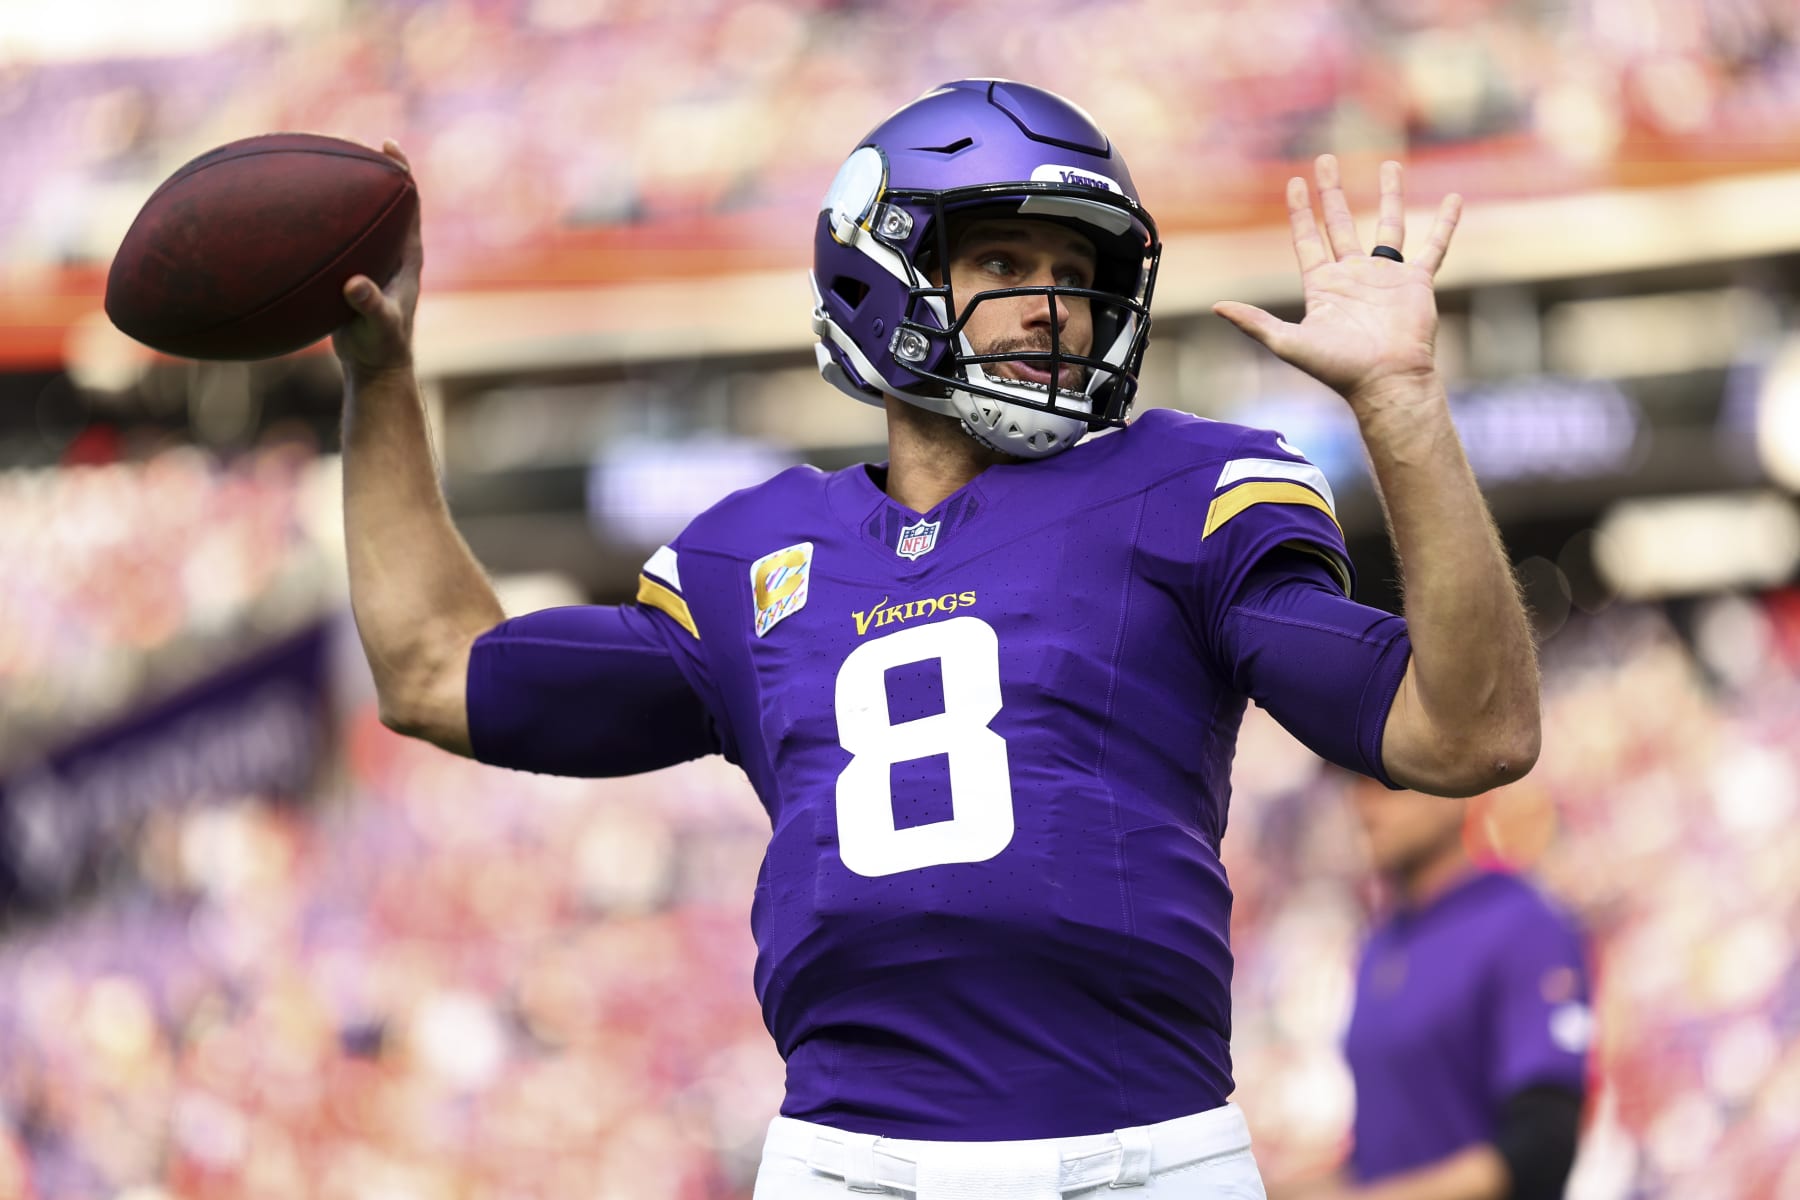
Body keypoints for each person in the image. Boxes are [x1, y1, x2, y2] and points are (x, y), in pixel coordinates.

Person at [331, 79, 1540, 1198]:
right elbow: (435, 671)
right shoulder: (752, 556)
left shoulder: (1182, 488)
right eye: (1003, 260)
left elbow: (1471, 733)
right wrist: (381, 382)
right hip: (844, 1169)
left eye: (1076, 270)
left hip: (1141, 1162)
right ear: (882, 272)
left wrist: (1401, 405)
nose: (1051, 303)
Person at [1276, 779, 1591, 1200]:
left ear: (1454, 792)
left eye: (1387, 783)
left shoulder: (1523, 924)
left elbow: (1540, 1148)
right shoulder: (1379, 944)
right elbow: (1384, 1161)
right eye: (1355, 785)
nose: (1364, 808)